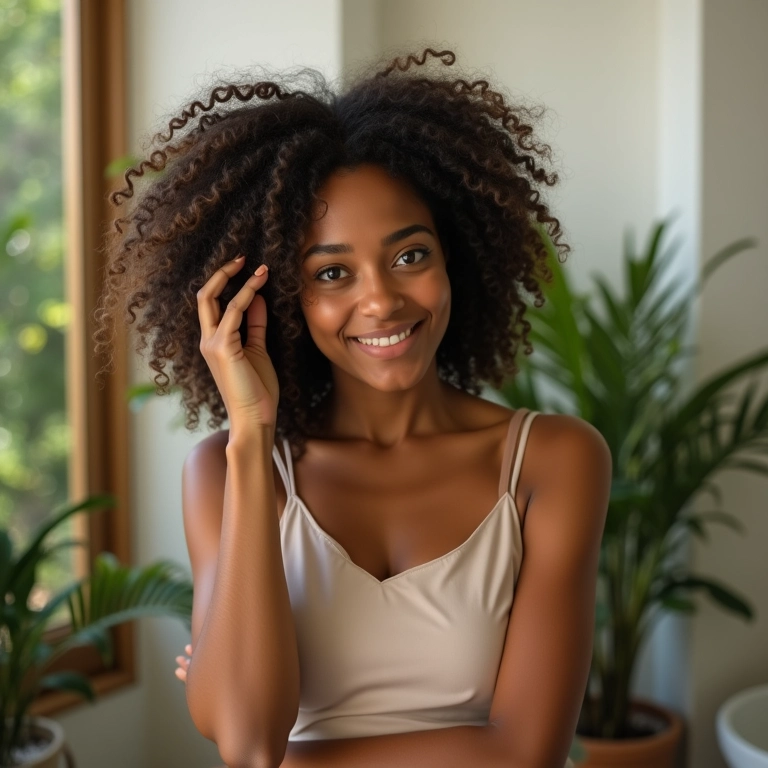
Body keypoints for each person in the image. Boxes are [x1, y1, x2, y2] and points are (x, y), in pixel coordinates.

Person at [95, 47, 611, 768]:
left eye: (410, 256)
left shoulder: (551, 461)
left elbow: (526, 753)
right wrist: (252, 438)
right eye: (333, 272)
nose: (381, 301)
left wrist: (292, 757)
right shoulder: (225, 471)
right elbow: (248, 740)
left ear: (454, 257)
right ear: (277, 299)